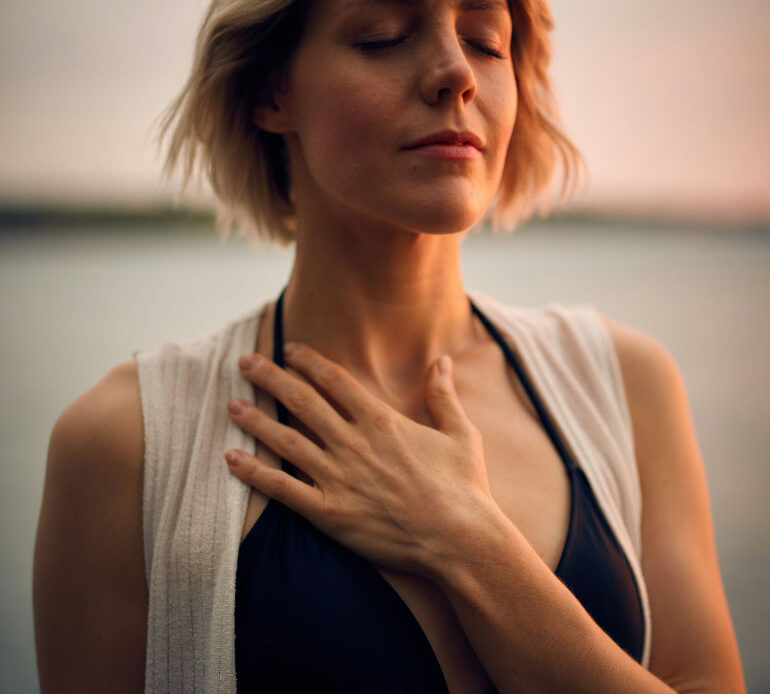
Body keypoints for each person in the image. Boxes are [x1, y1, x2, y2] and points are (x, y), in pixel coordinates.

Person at [33, 0, 746, 692]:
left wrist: (467, 542)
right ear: (269, 92)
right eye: (381, 36)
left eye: (485, 39)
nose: (454, 72)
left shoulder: (626, 385)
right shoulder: (128, 443)